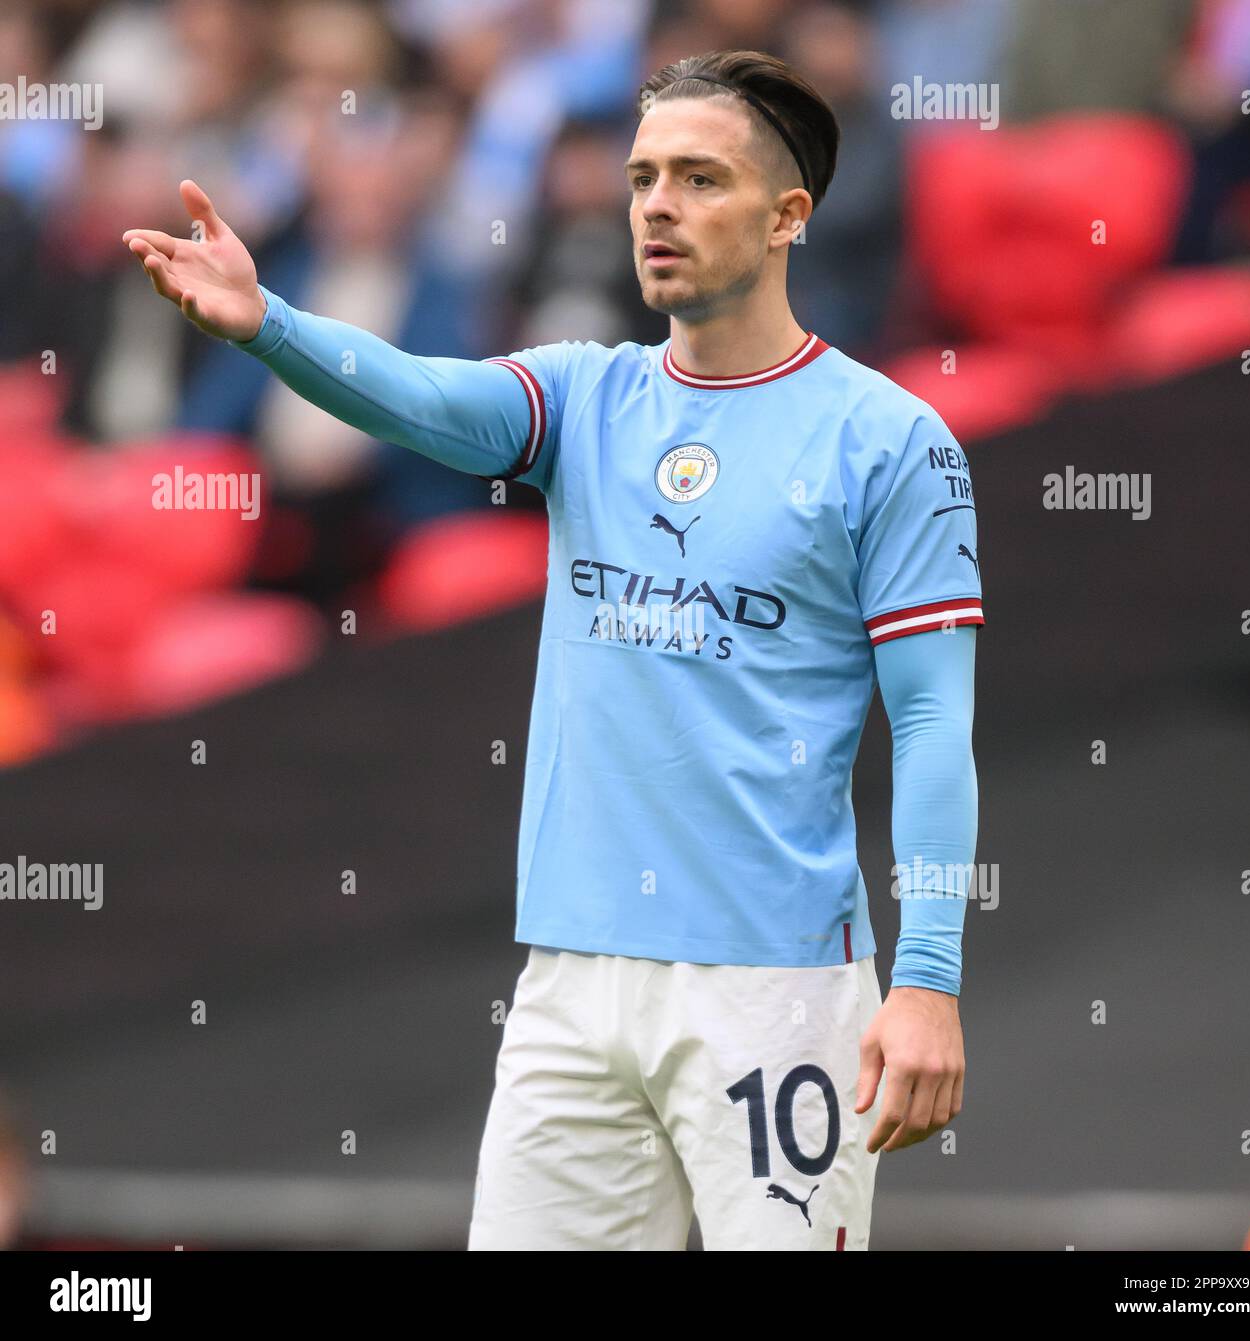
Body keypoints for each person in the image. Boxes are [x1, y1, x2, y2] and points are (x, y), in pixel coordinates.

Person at [123, 47, 984, 1252]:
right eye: (641, 179)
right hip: (572, 981)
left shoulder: (889, 442)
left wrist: (930, 978)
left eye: (698, 178)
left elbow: (937, 724)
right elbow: (423, 398)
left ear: (790, 215)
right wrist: (268, 324)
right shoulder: (587, 398)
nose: (656, 207)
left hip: (774, 987)